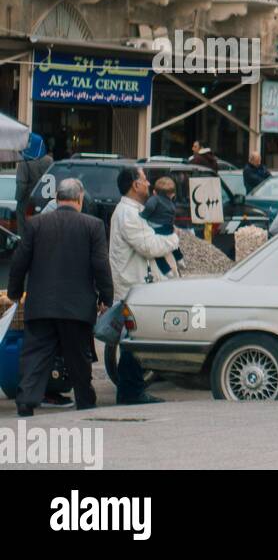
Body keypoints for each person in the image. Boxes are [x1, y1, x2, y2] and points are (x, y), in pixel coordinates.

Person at [6, 179, 113, 416]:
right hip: (77, 307)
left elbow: (19, 262)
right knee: (78, 357)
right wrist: (106, 297)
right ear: (79, 198)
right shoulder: (92, 225)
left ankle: (26, 401)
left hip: (40, 304)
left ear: (57, 197)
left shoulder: (36, 224)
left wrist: (14, 293)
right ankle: (85, 399)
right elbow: (100, 265)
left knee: (35, 355)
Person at [109, 165, 180, 406]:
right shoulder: (128, 214)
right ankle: (130, 393)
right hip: (133, 288)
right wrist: (174, 238)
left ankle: (133, 390)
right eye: (144, 179)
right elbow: (150, 246)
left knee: (136, 339)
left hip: (139, 287)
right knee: (133, 340)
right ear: (134, 185)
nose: (149, 184)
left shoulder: (137, 211)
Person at [139, 175, 185, 277]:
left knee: (156, 252)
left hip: (157, 228)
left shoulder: (155, 199)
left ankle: (166, 271)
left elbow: (149, 207)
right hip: (168, 228)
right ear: (172, 194)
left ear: (155, 191)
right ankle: (180, 259)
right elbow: (172, 216)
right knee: (174, 245)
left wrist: (143, 215)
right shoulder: (171, 204)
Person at [14, 132, 54, 234]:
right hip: (46, 202)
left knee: (24, 231)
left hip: (27, 202)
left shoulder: (24, 162)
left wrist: (19, 201)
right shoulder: (49, 160)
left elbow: (21, 186)